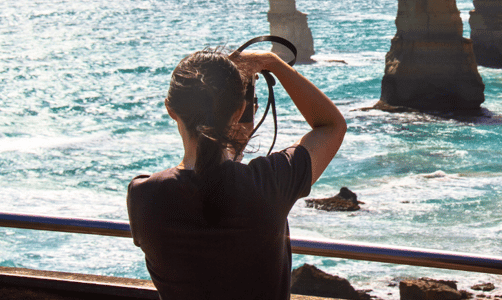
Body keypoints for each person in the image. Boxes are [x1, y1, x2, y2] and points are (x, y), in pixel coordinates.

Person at [126, 48, 346, 300]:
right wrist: (272, 62)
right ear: (240, 111)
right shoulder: (269, 182)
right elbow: (331, 126)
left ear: (170, 109)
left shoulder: (144, 194)